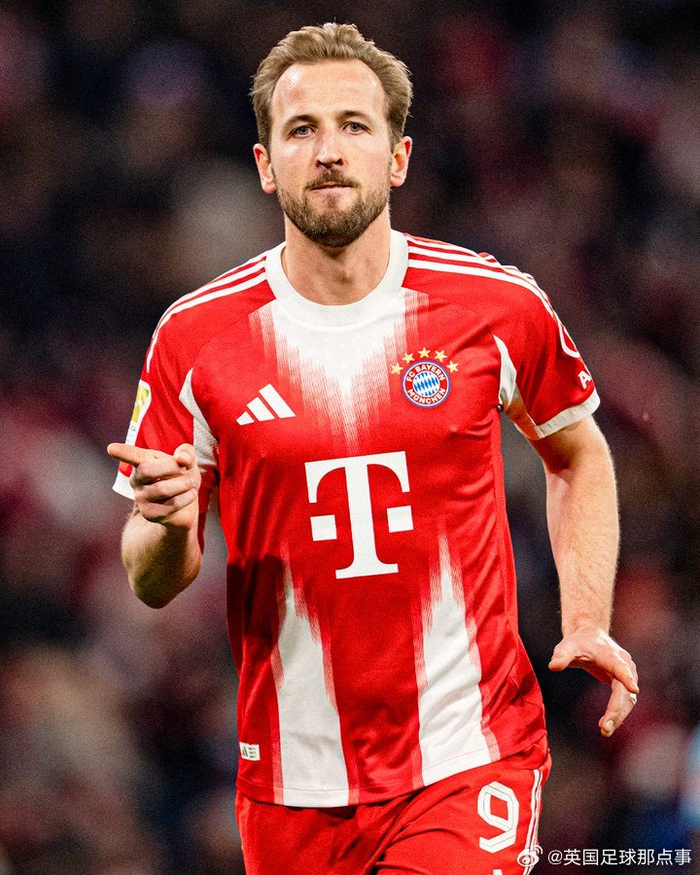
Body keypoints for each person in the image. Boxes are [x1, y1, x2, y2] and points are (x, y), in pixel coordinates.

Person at [108, 22, 638, 874]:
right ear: (265, 164)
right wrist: (167, 527)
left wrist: (587, 618)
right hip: (289, 783)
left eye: (354, 125)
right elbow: (150, 576)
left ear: (398, 157)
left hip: (469, 755)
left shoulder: (495, 306)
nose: (328, 151)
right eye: (301, 130)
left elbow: (579, 453)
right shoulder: (194, 337)